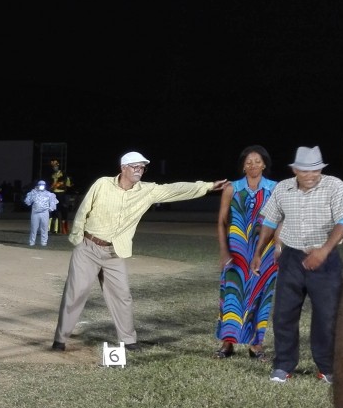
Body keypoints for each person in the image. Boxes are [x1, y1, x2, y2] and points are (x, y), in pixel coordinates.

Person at [52, 151, 228, 352]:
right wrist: (76, 237)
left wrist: (208, 186)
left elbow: (176, 189)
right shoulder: (102, 184)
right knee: (75, 293)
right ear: (123, 168)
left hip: (115, 252)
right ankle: (60, 338)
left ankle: (128, 340)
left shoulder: (147, 191)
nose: (139, 170)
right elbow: (84, 209)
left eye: (142, 167)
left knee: (123, 296)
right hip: (89, 247)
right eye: (135, 166)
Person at [250, 146, 343, 384]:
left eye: (316, 170)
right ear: (295, 170)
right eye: (305, 170)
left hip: (325, 261)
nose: (311, 175)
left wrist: (323, 250)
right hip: (292, 259)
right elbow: (271, 220)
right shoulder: (283, 188)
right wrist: (258, 252)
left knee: (327, 317)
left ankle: (326, 368)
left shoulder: (335, 186)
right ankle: (283, 365)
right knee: (284, 314)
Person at [214, 145, 279, 360]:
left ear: (264, 165)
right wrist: (224, 251)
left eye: (257, 161)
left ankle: (256, 345)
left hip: (266, 249)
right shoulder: (232, 188)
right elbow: (223, 221)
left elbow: (280, 221)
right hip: (237, 250)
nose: (253, 165)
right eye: (249, 162)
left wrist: (278, 248)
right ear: (243, 166)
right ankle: (228, 343)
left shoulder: (274, 188)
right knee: (232, 294)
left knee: (261, 294)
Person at [24, 179, 58, 246]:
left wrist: (50, 208)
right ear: (37, 185)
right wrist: (32, 195)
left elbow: (53, 203)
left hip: (44, 213)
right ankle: (32, 241)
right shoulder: (33, 193)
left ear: (45, 186)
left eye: (43, 185)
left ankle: (44, 242)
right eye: (40, 185)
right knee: (34, 228)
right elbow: (27, 202)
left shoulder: (49, 194)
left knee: (44, 228)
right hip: (35, 213)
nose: (41, 186)